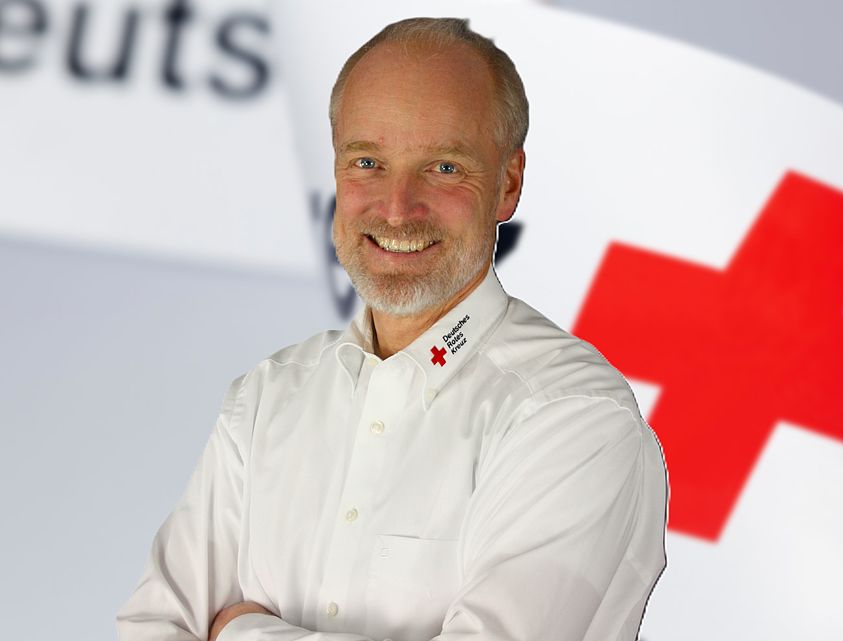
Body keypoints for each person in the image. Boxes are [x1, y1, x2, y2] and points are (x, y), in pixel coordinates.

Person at [117, 17, 667, 641]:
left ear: (507, 185)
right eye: (368, 162)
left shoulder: (571, 415)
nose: (398, 208)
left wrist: (240, 632)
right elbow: (150, 627)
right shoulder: (267, 397)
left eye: (444, 167)